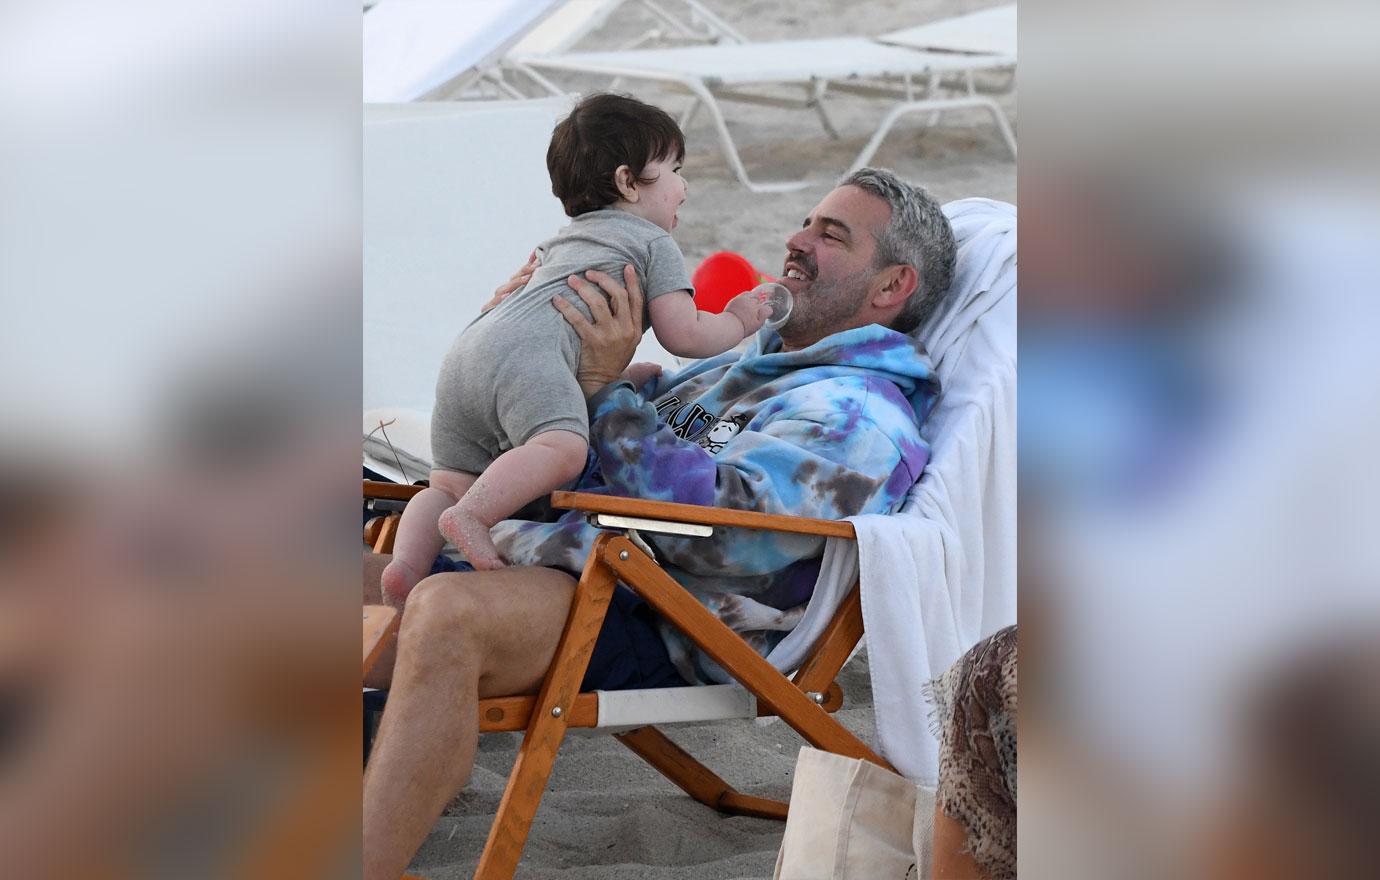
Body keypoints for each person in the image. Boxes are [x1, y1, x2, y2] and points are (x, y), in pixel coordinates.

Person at [363, 167, 957, 880]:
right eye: (805, 222)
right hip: (550, 555)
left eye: (831, 235)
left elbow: (728, 529)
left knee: (445, 614)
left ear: (892, 285)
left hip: (656, 608)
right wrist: (518, 345)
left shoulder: (860, 415)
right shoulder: (737, 370)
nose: (796, 241)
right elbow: (563, 441)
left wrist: (607, 389)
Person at [381, 93, 771, 597]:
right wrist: (739, 318)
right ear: (628, 182)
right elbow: (686, 334)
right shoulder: (652, 244)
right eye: (673, 169)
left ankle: (406, 567)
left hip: (468, 349)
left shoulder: (559, 242)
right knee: (562, 449)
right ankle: (473, 516)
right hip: (527, 360)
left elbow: (555, 335)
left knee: (447, 483)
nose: (684, 185)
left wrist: (609, 380)